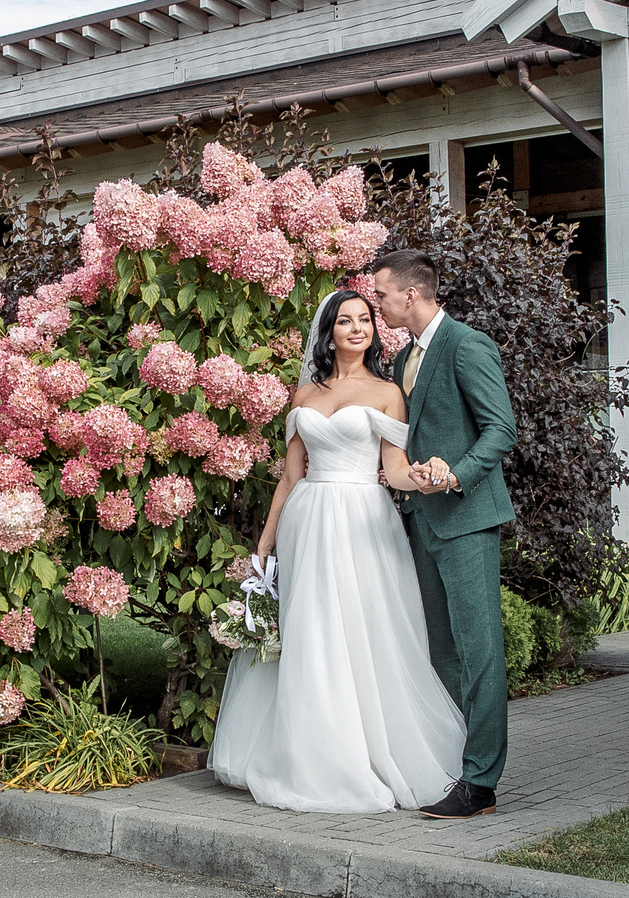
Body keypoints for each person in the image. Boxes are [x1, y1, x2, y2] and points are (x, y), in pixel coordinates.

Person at [207, 290, 466, 814]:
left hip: (363, 518)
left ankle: (366, 755)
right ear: (328, 331)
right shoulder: (304, 394)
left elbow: (393, 468)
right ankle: (308, 751)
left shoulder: (388, 392)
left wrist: (420, 479)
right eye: (344, 320)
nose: (357, 328)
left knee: (363, 629)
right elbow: (290, 473)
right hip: (308, 517)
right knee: (312, 630)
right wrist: (266, 541)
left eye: (365, 319)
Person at [369, 248, 518, 819]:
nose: (376, 304)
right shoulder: (403, 356)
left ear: (411, 293)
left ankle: (481, 784)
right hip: (419, 520)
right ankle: (456, 764)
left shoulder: (466, 344)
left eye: (381, 294)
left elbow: (500, 429)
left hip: (467, 518)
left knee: (479, 651)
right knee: (441, 651)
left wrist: (456, 474)